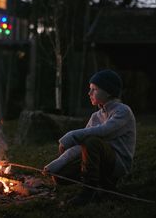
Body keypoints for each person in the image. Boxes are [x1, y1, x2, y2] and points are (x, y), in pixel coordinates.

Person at [44, 69, 136, 206]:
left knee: (92, 141)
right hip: (97, 160)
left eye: (94, 89)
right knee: (60, 176)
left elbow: (104, 131)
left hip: (117, 163)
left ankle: (89, 191)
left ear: (108, 91)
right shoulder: (96, 116)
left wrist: (72, 135)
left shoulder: (122, 111)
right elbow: (79, 146)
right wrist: (57, 163)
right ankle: (103, 185)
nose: (89, 93)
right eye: (90, 89)